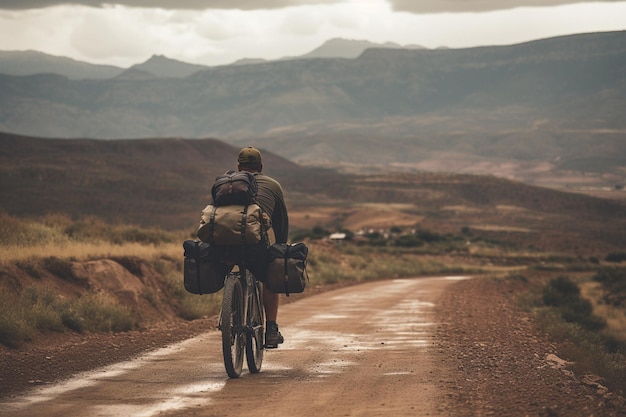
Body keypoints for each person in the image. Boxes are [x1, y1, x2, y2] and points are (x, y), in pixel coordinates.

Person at [237, 146, 289, 347]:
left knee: (231, 266)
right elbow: (280, 220)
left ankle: (231, 306)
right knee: (269, 277)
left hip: (223, 246)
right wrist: (280, 246)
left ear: (239, 167)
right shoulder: (273, 185)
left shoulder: (225, 183)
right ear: (261, 167)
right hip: (255, 245)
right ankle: (271, 330)